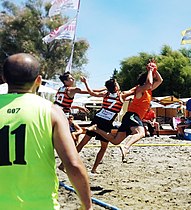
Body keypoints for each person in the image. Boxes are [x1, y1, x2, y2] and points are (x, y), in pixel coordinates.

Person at [0, 53, 92, 209]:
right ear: (38, 80)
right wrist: (87, 205)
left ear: (4, 77)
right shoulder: (51, 111)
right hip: (40, 204)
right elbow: (73, 164)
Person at [88, 59, 163, 161]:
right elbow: (149, 83)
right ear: (145, 81)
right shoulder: (140, 89)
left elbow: (160, 80)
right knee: (141, 133)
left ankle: (97, 129)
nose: (153, 80)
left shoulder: (148, 90)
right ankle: (126, 147)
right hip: (132, 115)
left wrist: (154, 70)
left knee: (115, 141)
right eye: (151, 78)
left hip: (129, 117)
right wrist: (150, 70)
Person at [76, 77, 135, 172]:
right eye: (117, 83)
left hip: (98, 117)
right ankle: (94, 169)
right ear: (116, 87)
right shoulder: (122, 95)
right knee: (103, 147)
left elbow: (92, 93)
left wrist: (86, 82)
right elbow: (134, 90)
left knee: (83, 143)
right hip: (106, 121)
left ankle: (63, 164)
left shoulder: (106, 94)